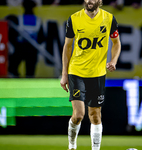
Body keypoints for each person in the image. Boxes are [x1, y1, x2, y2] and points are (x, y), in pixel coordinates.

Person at [60, 0, 121, 150]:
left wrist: (113, 60)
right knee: (79, 114)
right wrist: (64, 74)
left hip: (98, 74)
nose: (90, 1)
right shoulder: (74, 19)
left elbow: (116, 43)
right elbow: (67, 47)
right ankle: (72, 145)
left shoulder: (109, 19)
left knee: (95, 115)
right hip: (77, 72)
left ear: (99, 1)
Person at [6, 0, 44, 77]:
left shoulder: (19, 19)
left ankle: (17, 79)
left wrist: (16, 45)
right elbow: (41, 37)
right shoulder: (38, 20)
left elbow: (12, 36)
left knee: (14, 69)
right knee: (29, 72)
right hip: (29, 49)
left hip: (21, 48)